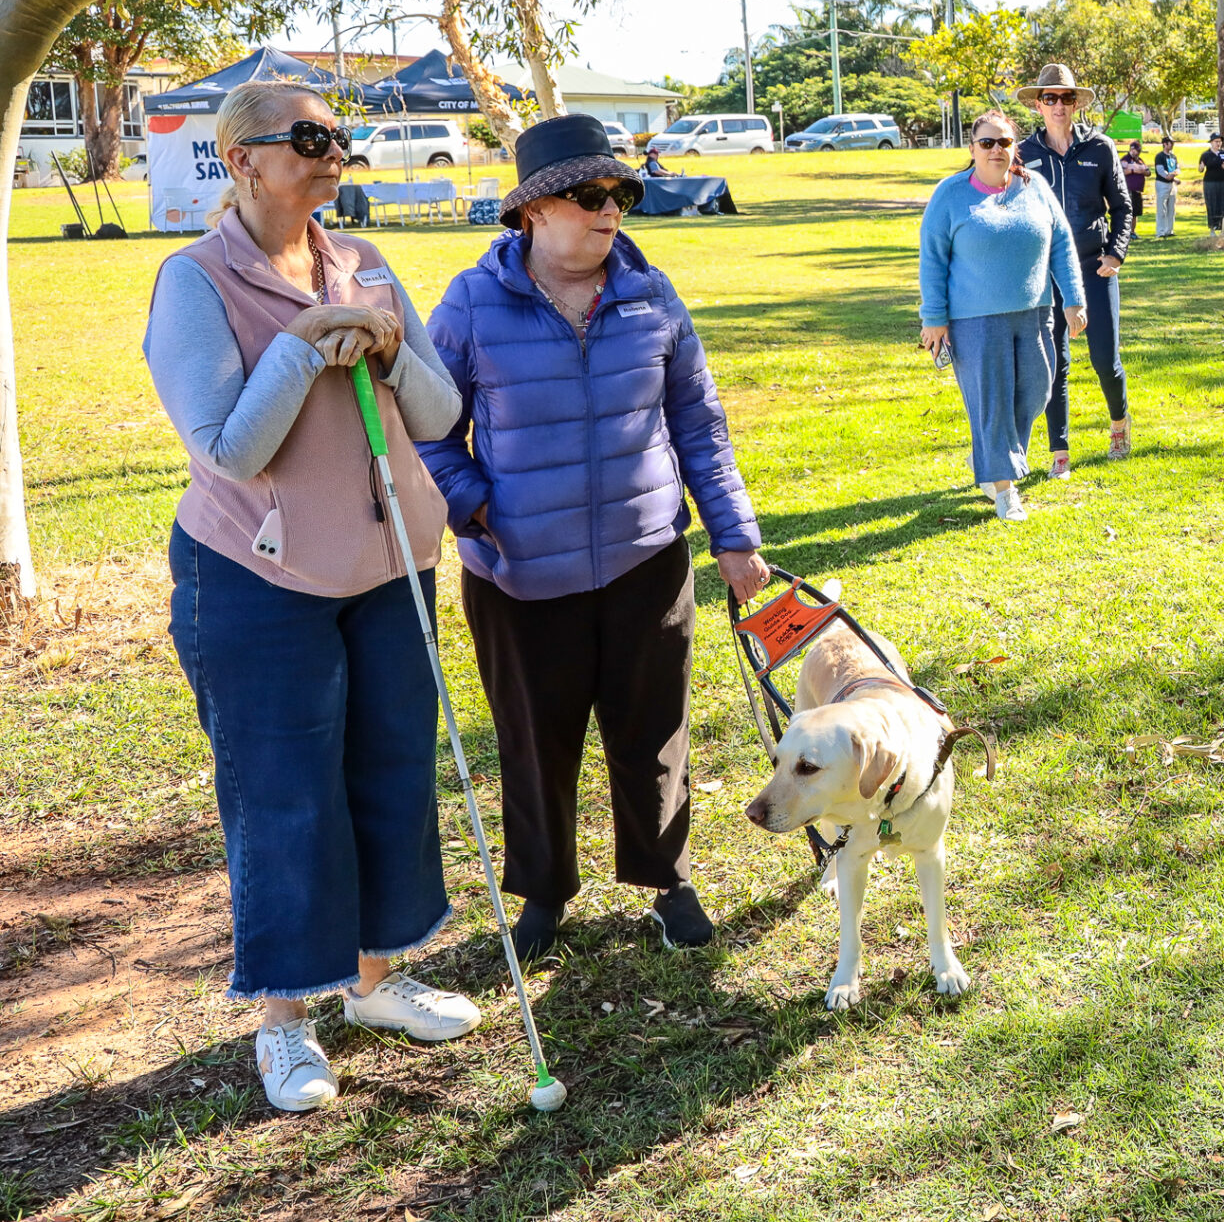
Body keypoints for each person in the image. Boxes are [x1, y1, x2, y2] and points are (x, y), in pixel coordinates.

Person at [143, 82, 479, 1114]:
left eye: (341, 136)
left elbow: (440, 407)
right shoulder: (195, 281)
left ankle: (379, 981)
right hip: (255, 580)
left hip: (385, 571)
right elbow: (231, 451)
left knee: (388, 776)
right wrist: (301, 347)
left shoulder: (363, 261)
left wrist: (381, 343)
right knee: (284, 798)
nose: (336, 151)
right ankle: (284, 1021)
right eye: (309, 138)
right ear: (240, 160)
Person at [420, 114, 770, 966]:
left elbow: (698, 422)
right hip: (517, 573)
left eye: (621, 193)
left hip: (645, 557)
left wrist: (733, 533)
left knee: (653, 727)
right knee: (535, 737)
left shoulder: (653, 293)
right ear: (534, 211)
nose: (610, 208)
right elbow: (425, 424)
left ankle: (664, 878)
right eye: (589, 194)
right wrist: (475, 508)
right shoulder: (472, 302)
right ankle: (544, 891)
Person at [918, 110, 1088, 521]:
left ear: (1016, 147)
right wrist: (934, 317)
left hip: (1034, 313)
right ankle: (1005, 489)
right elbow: (932, 259)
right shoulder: (950, 195)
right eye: (987, 143)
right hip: (974, 322)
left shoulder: (1036, 188)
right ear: (973, 148)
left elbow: (1062, 243)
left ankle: (993, 463)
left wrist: (1074, 297)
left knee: (1036, 391)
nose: (997, 150)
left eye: (1004, 142)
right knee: (992, 402)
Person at [1012, 63, 1135, 474]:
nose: (1059, 106)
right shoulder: (1023, 155)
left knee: (1105, 360)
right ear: (1039, 105)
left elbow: (1122, 207)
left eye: (1066, 98)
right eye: (1050, 98)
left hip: (1093, 269)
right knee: (1053, 364)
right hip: (1046, 277)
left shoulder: (1100, 148)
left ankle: (1119, 423)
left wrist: (1115, 254)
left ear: (1076, 103)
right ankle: (1059, 453)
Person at [1200, 132, 1224, 231]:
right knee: (1212, 205)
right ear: (1211, 142)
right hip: (1210, 183)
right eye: (1216, 142)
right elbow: (1200, 169)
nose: (1218, 144)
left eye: (1220, 142)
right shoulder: (1206, 155)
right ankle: (1213, 227)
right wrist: (1201, 166)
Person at [1152, 139, 1180, 239]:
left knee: (1171, 209)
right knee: (1161, 209)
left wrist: (1174, 176)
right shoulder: (1159, 156)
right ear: (1164, 144)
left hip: (1172, 184)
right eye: (1170, 143)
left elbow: (1177, 168)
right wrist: (1171, 175)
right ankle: (1160, 232)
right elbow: (1161, 171)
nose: (1172, 145)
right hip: (1162, 184)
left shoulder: (1173, 156)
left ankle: (1169, 230)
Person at [1122, 140, 1151, 228]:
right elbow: (1121, 172)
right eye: (1133, 150)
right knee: (1129, 212)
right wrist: (1133, 170)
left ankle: (1133, 232)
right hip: (1129, 189)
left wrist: (1143, 171)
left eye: (1137, 150)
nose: (1135, 152)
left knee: (1136, 213)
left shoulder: (1140, 161)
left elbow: (1148, 172)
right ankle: (1126, 231)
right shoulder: (1125, 159)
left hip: (1138, 190)